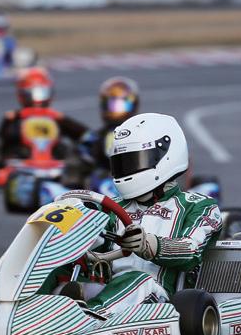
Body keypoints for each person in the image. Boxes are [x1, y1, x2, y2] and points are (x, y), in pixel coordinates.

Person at [83, 112, 222, 313]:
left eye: (134, 162)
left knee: (137, 280)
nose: (126, 170)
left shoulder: (198, 206)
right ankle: (39, 312)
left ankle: (90, 317)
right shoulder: (111, 206)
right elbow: (93, 245)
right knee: (61, 270)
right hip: (107, 289)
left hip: (162, 299)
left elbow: (192, 250)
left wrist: (149, 245)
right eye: (121, 164)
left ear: (166, 157)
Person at [0, 66, 89, 160]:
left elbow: (85, 134)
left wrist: (63, 120)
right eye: (32, 93)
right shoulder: (14, 118)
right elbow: (2, 138)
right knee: (8, 149)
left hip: (54, 161)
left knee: (70, 150)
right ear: (22, 94)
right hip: (22, 160)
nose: (37, 98)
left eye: (42, 92)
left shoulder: (57, 118)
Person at [78, 76, 140, 174]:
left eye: (120, 105)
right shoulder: (92, 137)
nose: (116, 110)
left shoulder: (141, 135)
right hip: (100, 178)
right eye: (112, 104)